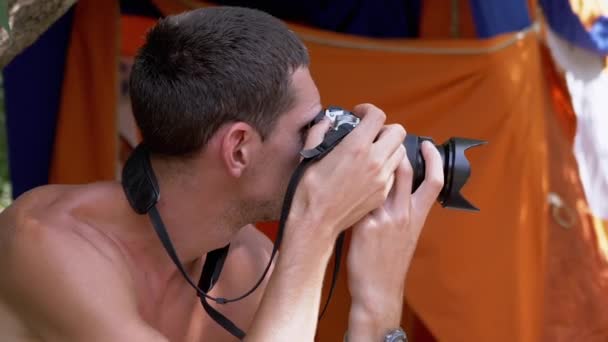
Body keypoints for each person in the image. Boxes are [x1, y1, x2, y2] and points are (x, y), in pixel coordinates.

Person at [0, 6, 443, 342]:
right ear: (239, 148)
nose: (322, 146)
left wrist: (378, 304)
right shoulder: (46, 241)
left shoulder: (244, 263)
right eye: (309, 127)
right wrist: (316, 225)